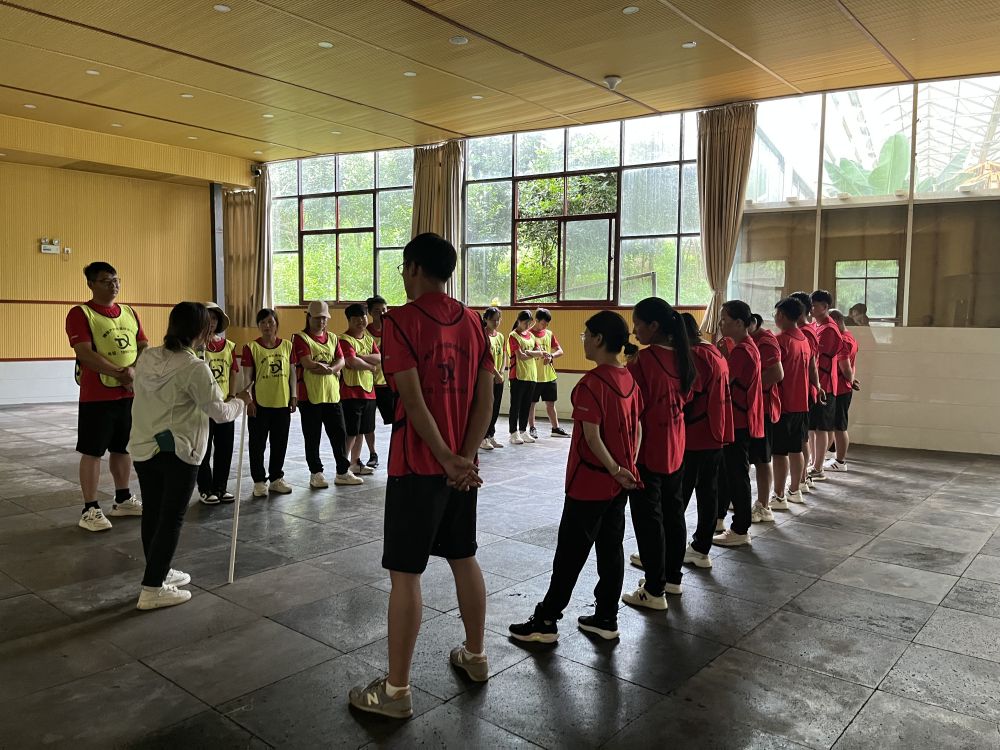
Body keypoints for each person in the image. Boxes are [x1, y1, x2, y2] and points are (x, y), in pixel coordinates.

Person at [349, 233, 494, 719]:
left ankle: (396, 691)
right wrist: (465, 458)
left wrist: (446, 458)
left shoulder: (400, 322)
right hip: (461, 471)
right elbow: (485, 398)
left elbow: (411, 399)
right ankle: (476, 657)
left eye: (403, 269)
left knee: (406, 575)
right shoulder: (473, 322)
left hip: (417, 468)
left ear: (413, 267)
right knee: (463, 557)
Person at [509, 311, 642, 642]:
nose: (583, 340)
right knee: (610, 550)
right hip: (619, 484)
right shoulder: (628, 379)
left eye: (585, 335)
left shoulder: (592, 384)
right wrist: (626, 468)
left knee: (570, 553)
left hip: (590, 483)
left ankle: (546, 621)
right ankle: (606, 617)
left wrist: (613, 468)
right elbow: (637, 428)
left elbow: (592, 438)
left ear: (598, 339)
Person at [128, 302, 250, 610]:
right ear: (201, 331)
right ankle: (152, 588)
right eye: (209, 326)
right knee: (171, 517)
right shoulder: (194, 367)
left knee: (153, 513)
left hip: (144, 446)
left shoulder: (147, 356)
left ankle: (158, 568)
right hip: (178, 450)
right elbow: (220, 413)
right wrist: (241, 401)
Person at [620, 299, 695, 611]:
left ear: (653, 326)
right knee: (673, 513)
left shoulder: (644, 360)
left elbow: (631, 405)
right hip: (676, 445)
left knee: (649, 519)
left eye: (637, 323)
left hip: (647, 449)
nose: (634, 330)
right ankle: (672, 579)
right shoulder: (683, 356)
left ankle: (653, 589)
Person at [66, 262, 147, 532]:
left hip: (128, 394)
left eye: (116, 280)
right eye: (106, 281)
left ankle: (122, 499)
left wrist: (132, 371)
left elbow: (143, 345)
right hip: (97, 397)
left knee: (123, 448)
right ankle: (90, 509)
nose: (114, 285)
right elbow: (84, 353)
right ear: (91, 284)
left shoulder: (129, 312)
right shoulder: (81, 313)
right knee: (92, 451)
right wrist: (119, 373)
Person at [676, 312, 732, 567]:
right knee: (708, 492)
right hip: (714, 430)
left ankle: (667, 550)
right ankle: (701, 547)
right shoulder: (713, 351)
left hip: (697, 433)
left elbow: (689, 395)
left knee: (680, 493)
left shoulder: (696, 355)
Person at [292, 301, 361, 488]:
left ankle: (342, 471)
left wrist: (329, 369)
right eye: (318, 318)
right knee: (312, 436)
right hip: (310, 397)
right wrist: (328, 367)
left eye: (324, 318)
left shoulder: (332, 338)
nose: (321, 321)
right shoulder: (300, 338)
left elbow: (341, 360)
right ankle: (316, 473)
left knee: (339, 434)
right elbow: (307, 363)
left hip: (332, 395)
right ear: (309, 317)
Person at [714, 300, 764, 547]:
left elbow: (725, 381)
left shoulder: (743, 351)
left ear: (739, 323)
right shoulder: (745, 347)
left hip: (738, 420)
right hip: (740, 418)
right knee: (730, 472)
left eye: (724, 319)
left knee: (737, 473)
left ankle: (740, 528)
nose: (721, 324)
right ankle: (722, 519)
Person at [239, 309, 296, 497]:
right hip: (260, 404)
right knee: (257, 445)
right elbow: (247, 378)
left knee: (280, 443)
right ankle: (259, 481)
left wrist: (294, 395)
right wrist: (249, 402)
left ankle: (276, 478)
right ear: (258, 325)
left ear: (276, 324)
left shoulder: (287, 346)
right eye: (262, 322)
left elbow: (292, 374)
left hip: (282, 403)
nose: (267, 326)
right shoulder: (251, 348)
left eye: (270, 322)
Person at [197, 302, 239, 504]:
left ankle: (220, 487)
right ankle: (205, 488)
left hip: (223, 405)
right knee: (203, 448)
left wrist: (232, 395)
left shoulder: (228, 346)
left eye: (214, 318)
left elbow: (233, 371)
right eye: (207, 318)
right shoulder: (194, 346)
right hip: (203, 406)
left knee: (224, 447)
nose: (211, 322)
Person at [771, 297, 811, 509]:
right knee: (796, 449)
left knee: (779, 453)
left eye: (776, 314)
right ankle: (795, 490)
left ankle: (779, 496)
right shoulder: (803, 339)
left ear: (782, 315)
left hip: (784, 404)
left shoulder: (781, 340)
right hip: (801, 403)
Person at [748, 313, 783, 522]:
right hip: (750, 408)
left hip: (763, 409)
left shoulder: (766, 342)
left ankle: (764, 505)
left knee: (762, 459)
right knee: (750, 457)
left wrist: (750, 387)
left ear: (751, 323)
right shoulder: (747, 341)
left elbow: (777, 373)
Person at [339, 303, 381, 477]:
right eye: (356, 318)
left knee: (362, 430)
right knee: (351, 432)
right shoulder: (344, 339)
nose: (361, 321)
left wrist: (361, 356)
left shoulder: (369, 340)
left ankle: (355, 463)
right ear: (349, 320)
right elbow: (351, 362)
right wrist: (369, 366)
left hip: (369, 392)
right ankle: (342, 468)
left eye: (363, 317)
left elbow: (378, 358)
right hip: (351, 393)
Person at [808, 290, 843, 482]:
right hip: (816, 384)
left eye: (815, 305)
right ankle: (813, 463)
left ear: (825, 307)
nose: (811, 309)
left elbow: (819, 358)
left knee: (822, 428)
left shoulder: (829, 329)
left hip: (825, 385)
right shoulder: (816, 325)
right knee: (813, 428)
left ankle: (818, 467)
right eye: (810, 305)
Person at [790, 291, 822, 495]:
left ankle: (801, 479)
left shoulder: (805, 333)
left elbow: (810, 365)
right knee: (803, 438)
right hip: (805, 389)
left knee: (801, 440)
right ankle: (803, 477)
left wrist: (816, 386)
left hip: (803, 391)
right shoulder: (805, 330)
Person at [527, 308, 570, 439]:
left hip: (549, 375)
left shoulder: (549, 334)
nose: (545, 326)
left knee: (550, 403)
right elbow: (525, 354)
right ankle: (532, 428)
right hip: (534, 376)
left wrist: (551, 356)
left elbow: (560, 350)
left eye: (547, 324)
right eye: (543, 323)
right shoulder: (528, 334)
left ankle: (555, 428)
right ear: (536, 320)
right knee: (531, 403)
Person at [826, 309, 859, 471]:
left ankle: (840, 461)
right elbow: (852, 366)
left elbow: (845, 367)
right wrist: (851, 380)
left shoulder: (843, 340)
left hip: (840, 388)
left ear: (837, 321)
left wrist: (850, 380)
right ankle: (833, 455)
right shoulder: (850, 336)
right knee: (835, 424)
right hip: (842, 387)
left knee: (839, 426)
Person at [365, 295, 394, 469]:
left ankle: (397, 452)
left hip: (387, 383)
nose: (382, 313)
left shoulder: (393, 330)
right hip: (368, 384)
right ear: (370, 313)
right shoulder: (364, 333)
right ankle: (372, 453)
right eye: (377, 311)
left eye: (384, 310)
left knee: (395, 420)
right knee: (368, 424)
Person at [507, 310, 543, 445]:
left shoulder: (531, 336)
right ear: (519, 321)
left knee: (526, 405)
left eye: (529, 323)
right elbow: (520, 356)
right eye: (525, 323)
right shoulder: (513, 336)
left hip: (531, 375)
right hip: (518, 375)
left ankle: (523, 430)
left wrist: (528, 352)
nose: (527, 325)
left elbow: (539, 352)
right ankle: (513, 432)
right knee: (515, 405)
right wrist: (532, 353)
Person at [481, 307, 507, 451]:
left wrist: (502, 371)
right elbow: (486, 359)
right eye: (493, 320)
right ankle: (483, 437)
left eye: (498, 320)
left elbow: (503, 355)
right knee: (486, 407)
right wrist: (496, 374)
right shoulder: (482, 335)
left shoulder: (500, 336)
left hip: (498, 377)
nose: (496, 323)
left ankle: (491, 434)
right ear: (486, 319)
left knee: (496, 407)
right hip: (487, 377)